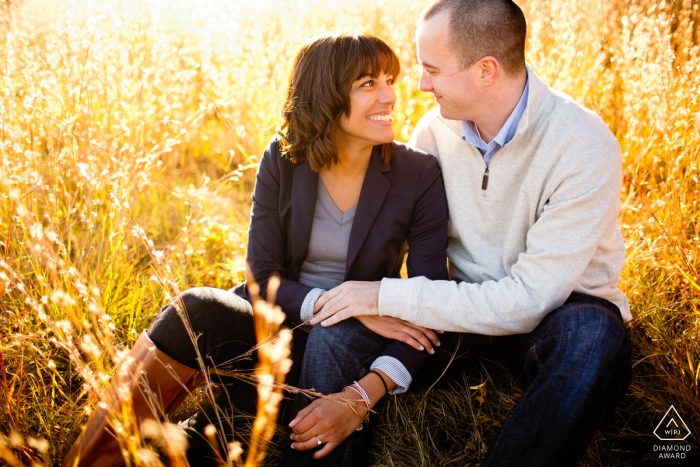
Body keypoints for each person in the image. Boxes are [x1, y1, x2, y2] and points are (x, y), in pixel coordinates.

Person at [62, 33, 448, 467]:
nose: (390, 96)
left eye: (389, 80)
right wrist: (338, 301)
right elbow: (261, 276)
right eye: (368, 84)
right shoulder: (283, 159)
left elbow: (430, 299)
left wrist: (369, 387)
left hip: (348, 345)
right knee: (195, 309)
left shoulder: (418, 173)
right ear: (327, 95)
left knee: (331, 337)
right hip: (275, 329)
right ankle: (91, 461)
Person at [308, 1, 633, 466]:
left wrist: (383, 295)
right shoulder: (433, 133)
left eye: (432, 70)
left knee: (592, 338)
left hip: (556, 316)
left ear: (486, 71)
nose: (420, 85)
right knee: (338, 334)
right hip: (457, 311)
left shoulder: (582, 145)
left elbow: (528, 300)